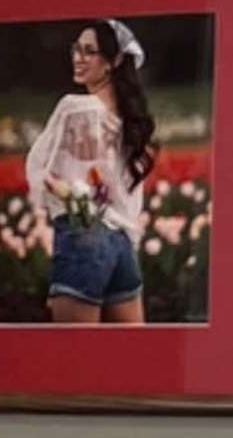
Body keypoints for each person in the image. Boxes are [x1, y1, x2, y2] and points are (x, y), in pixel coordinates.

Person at [22, 19, 152, 325]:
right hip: (122, 246)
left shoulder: (74, 108)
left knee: (71, 361)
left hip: (81, 235)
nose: (78, 58)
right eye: (76, 49)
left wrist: (63, 197)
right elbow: (130, 199)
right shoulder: (130, 122)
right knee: (132, 360)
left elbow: (40, 169)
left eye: (90, 52)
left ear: (113, 62)